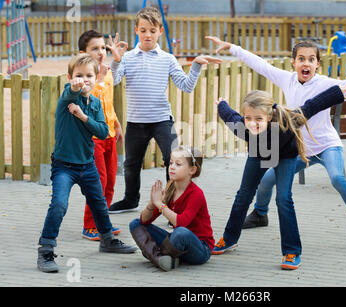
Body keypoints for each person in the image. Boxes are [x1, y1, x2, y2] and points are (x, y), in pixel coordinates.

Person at [206, 36, 346, 251]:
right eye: (301, 59)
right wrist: (233, 47)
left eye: (311, 59)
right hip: (298, 148)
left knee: (337, 178)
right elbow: (261, 65)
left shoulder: (326, 83)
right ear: (293, 62)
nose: (306, 63)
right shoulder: (286, 79)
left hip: (326, 145)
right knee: (265, 181)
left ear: (317, 64)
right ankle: (260, 214)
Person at [212, 85, 346, 270]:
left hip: (285, 157)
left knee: (283, 198)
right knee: (243, 196)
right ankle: (229, 239)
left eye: (258, 119)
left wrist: (339, 91)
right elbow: (229, 115)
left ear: (269, 116)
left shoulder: (288, 121)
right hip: (259, 155)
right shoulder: (242, 127)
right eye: (248, 118)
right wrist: (221, 104)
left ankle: (292, 251)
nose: (253, 123)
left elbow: (313, 105)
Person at [108, 7, 222, 214]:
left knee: (175, 162)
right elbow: (113, 81)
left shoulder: (167, 59)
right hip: (136, 121)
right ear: (136, 30)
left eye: (152, 30)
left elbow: (186, 86)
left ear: (160, 31)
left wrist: (195, 65)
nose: (147, 35)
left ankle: (174, 205)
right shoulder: (127, 58)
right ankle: (130, 199)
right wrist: (115, 61)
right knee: (131, 164)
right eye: (143, 30)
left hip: (162, 120)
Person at [37, 54, 137, 273]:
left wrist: (83, 117)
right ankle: (45, 250)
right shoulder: (67, 97)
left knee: (99, 203)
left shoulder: (96, 103)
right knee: (59, 205)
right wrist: (74, 89)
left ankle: (107, 240)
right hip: (64, 166)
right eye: (79, 75)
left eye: (89, 75)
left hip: (87, 165)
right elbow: (70, 92)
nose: (84, 80)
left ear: (96, 77)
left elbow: (102, 132)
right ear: (70, 77)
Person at [129, 146, 214, 271]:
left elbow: (181, 223)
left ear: (192, 170)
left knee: (180, 232)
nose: (172, 167)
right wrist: (152, 204)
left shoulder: (196, 194)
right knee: (135, 224)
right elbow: (144, 221)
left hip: (200, 248)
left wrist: (160, 204)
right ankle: (164, 258)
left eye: (178, 164)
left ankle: (155, 255)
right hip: (177, 244)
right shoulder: (170, 189)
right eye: (170, 163)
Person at [78, 30, 123, 240]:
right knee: (98, 182)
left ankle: (103, 223)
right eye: (94, 49)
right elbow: (88, 104)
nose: (100, 52)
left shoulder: (108, 72)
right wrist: (100, 79)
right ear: (82, 53)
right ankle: (90, 225)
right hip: (93, 138)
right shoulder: (83, 78)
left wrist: (116, 123)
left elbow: (108, 103)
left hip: (110, 135)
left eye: (103, 48)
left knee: (111, 181)